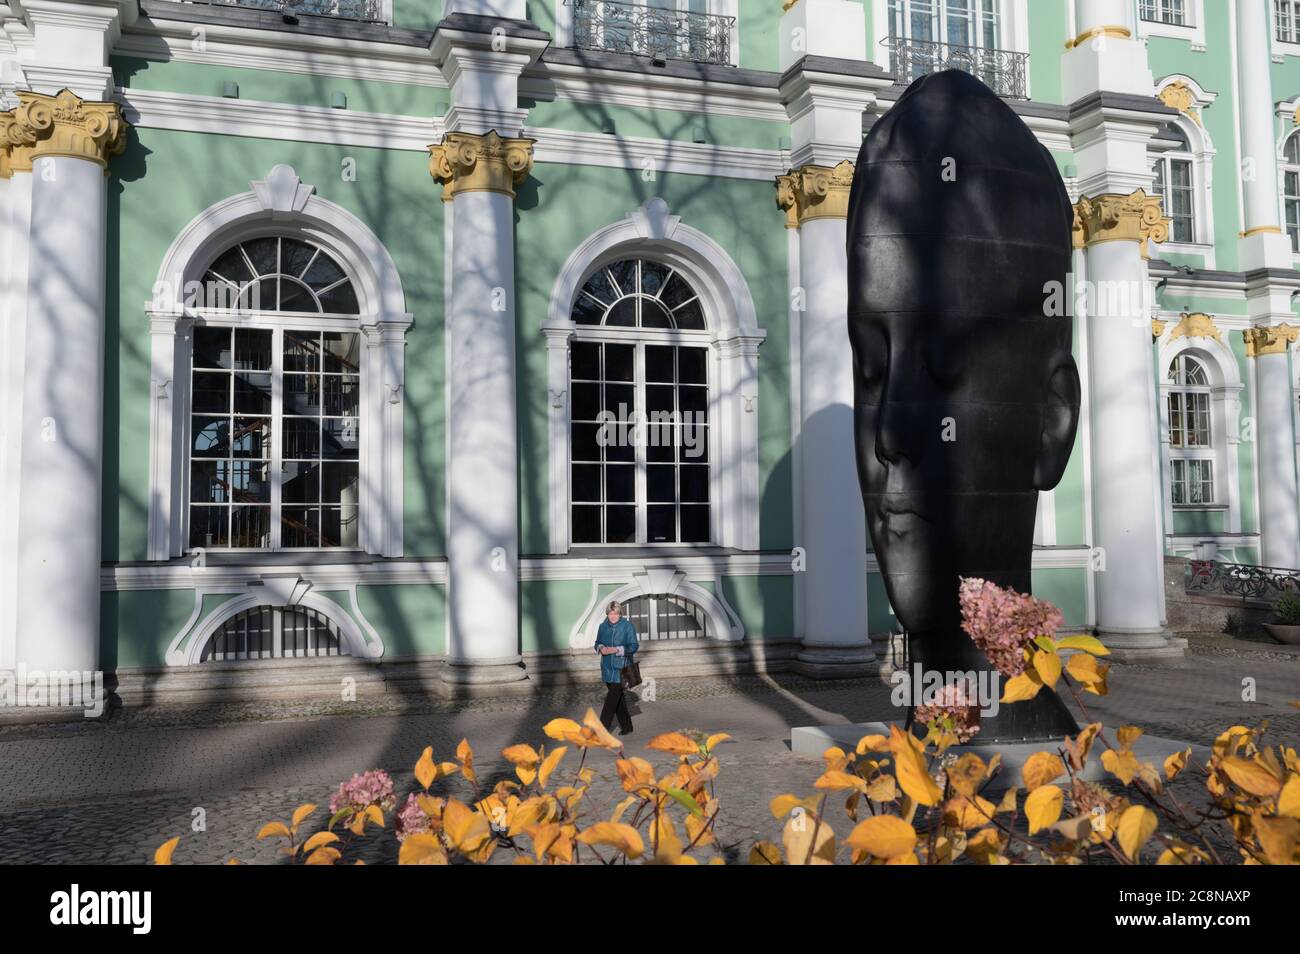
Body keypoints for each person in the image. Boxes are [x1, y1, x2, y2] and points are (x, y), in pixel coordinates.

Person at [594, 600, 639, 735]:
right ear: (607, 614)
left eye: (616, 613)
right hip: (607, 668)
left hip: (622, 670)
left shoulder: (627, 626)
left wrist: (617, 649)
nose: (613, 616)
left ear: (620, 614)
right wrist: (601, 648)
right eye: (610, 613)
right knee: (618, 701)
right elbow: (597, 642)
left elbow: (634, 646)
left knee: (610, 702)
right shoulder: (602, 627)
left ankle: (601, 732)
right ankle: (627, 727)